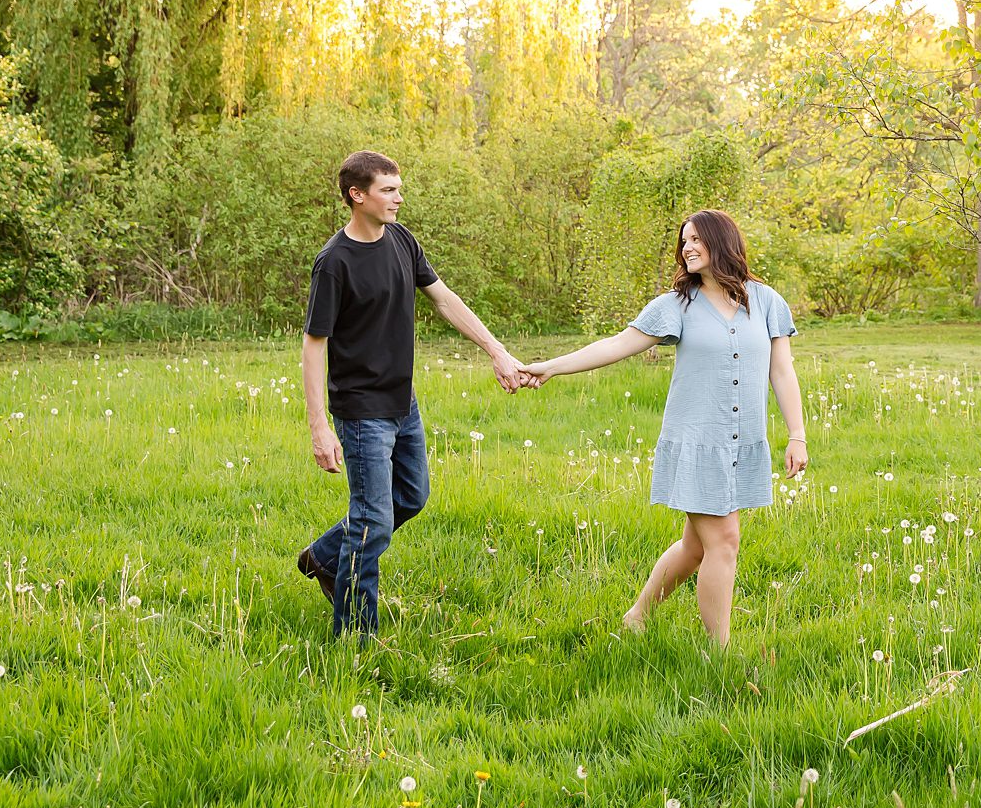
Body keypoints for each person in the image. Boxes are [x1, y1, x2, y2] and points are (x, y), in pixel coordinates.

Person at [519, 209, 807, 646]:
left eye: (696, 239)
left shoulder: (767, 302)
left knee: (696, 547)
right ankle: (721, 655)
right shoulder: (678, 306)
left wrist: (796, 433)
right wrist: (553, 367)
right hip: (696, 443)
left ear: (722, 242)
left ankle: (637, 615)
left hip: (741, 443)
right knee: (724, 541)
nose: (687, 248)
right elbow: (617, 345)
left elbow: (782, 372)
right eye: (684, 241)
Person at [297, 149, 526, 638]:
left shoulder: (400, 239)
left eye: (399, 189)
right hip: (361, 412)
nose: (399, 198)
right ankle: (356, 638)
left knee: (412, 496)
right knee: (373, 521)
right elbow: (315, 343)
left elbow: (444, 298)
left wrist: (496, 350)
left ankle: (323, 556)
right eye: (388, 190)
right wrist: (319, 425)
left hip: (403, 402)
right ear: (357, 196)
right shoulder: (333, 263)